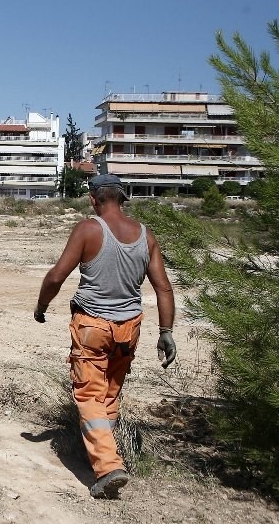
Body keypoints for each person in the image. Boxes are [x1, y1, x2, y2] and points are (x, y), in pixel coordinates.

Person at [34, 174, 176, 499]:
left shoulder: (89, 228)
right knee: (109, 395)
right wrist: (166, 332)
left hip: (93, 328)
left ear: (94, 199)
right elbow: (163, 288)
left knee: (88, 395)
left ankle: (108, 467)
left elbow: (57, 275)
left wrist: (41, 306)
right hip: (129, 329)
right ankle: (101, 456)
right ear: (122, 199)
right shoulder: (145, 235)